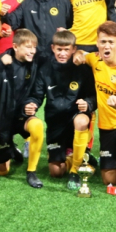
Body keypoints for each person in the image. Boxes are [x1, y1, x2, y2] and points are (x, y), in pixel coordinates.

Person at [74, 21, 116, 202]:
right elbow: (83, 54)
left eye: (111, 42)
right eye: (103, 42)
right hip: (106, 126)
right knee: (108, 179)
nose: (107, 46)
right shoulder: (95, 59)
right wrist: (79, 55)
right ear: (97, 43)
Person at [24, 31, 96, 189]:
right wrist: (31, 104)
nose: (62, 54)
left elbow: (93, 95)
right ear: (53, 48)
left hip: (76, 119)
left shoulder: (82, 69)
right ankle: (77, 156)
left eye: (66, 50)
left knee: (82, 120)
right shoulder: (45, 70)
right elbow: (36, 95)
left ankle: (75, 171)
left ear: (73, 49)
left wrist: (88, 104)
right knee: (56, 172)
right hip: (55, 123)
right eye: (59, 49)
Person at [0, 29, 45, 188]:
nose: (32, 51)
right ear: (15, 47)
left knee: (37, 126)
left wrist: (32, 103)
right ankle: (10, 147)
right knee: (2, 171)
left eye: (34, 47)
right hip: (2, 119)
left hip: (21, 116)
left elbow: (37, 92)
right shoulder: (3, 62)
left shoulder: (34, 64)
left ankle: (31, 172)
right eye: (28, 47)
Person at [1, 0, 73, 59]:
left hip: (57, 56)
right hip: (34, 56)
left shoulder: (64, 2)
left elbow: (72, 24)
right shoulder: (27, 3)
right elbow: (13, 22)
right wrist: (4, 14)